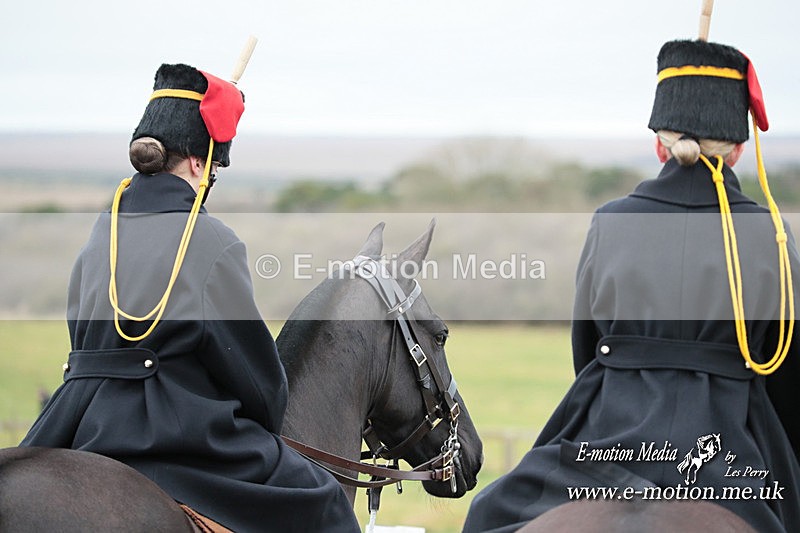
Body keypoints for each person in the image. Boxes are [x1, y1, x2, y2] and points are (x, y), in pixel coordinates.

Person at [463, 40, 800, 532]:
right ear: (739, 150)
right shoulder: (770, 231)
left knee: (487, 516)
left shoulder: (610, 222)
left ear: (659, 144)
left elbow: (587, 349)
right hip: (732, 449)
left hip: (610, 434)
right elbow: (785, 368)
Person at [21, 62, 360, 532]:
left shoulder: (102, 231)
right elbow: (254, 377)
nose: (211, 180)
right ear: (199, 164)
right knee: (325, 502)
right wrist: (266, 418)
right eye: (215, 168)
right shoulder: (210, 240)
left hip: (81, 424)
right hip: (174, 435)